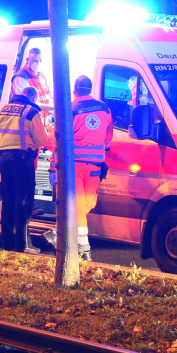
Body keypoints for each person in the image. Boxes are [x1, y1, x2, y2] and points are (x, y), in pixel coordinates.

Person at [49, 75, 113, 260]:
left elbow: (59, 140)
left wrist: (54, 168)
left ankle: (59, 232)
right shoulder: (104, 108)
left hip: (74, 164)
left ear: (74, 90)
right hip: (95, 164)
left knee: (81, 204)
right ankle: (83, 247)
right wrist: (101, 148)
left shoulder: (69, 108)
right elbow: (108, 136)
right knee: (85, 204)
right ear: (90, 89)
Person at [0, 84, 47, 253]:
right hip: (23, 161)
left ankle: (7, 244)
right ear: (33, 98)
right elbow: (41, 140)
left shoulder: (3, 110)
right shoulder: (31, 112)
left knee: (7, 201)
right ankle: (22, 245)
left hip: (5, 159)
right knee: (22, 202)